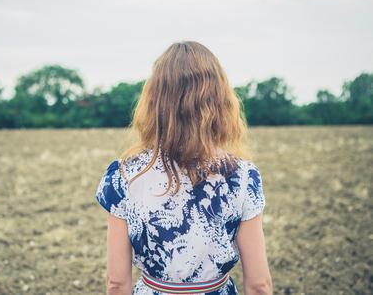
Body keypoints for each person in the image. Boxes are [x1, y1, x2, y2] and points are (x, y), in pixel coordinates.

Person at [96, 41, 272, 295]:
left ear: (154, 102)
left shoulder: (121, 176)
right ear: (219, 101)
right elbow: (258, 285)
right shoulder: (244, 176)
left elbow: (116, 282)